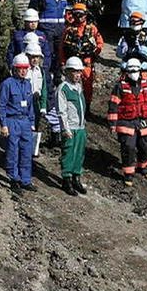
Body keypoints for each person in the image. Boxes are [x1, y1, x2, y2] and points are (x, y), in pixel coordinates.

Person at [106, 57, 147, 184]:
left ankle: (143, 167)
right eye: (131, 71)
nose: (134, 73)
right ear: (126, 71)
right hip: (126, 121)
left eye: (136, 70)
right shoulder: (120, 87)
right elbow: (113, 105)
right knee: (128, 146)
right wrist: (112, 124)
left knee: (145, 145)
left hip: (142, 120)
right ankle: (128, 174)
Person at [0, 54, 38, 192]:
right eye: (20, 68)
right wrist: (3, 124)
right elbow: (1, 106)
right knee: (13, 151)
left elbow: (30, 105)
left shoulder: (28, 84)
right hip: (12, 121)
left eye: (25, 68)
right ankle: (13, 179)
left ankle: (25, 180)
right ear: (14, 69)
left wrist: (32, 122)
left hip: (25, 121)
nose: (23, 71)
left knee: (26, 151)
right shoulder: (7, 84)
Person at [59, 1, 105, 107]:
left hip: (86, 63)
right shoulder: (68, 30)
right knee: (71, 85)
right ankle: (72, 105)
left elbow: (100, 43)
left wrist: (94, 53)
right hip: (72, 63)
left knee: (88, 86)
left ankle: (87, 107)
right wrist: (62, 62)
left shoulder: (92, 29)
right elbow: (61, 47)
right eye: (76, 14)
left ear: (85, 15)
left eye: (81, 14)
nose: (79, 17)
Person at [55, 57, 89, 196]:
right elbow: (61, 111)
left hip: (80, 127)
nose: (77, 75)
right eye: (74, 72)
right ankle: (67, 179)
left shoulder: (79, 87)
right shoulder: (63, 88)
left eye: (79, 72)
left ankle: (76, 177)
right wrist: (65, 129)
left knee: (79, 153)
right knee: (68, 153)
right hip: (70, 128)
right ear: (68, 72)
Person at [30, 0, 70, 75]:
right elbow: (34, 9)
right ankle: (46, 75)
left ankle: (57, 76)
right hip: (46, 29)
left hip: (60, 29)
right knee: (48, 53)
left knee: (59, 53)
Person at [8, 8, 53, 79]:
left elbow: (47, 53)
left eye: (35, 21)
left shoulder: (42, 35)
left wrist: (45, 67)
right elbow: (11, 52)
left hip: (37, 68)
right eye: (30, 22)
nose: (33, 24)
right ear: (25, 22)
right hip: (22, 68)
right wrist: (12, 66)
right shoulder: (18, 35)